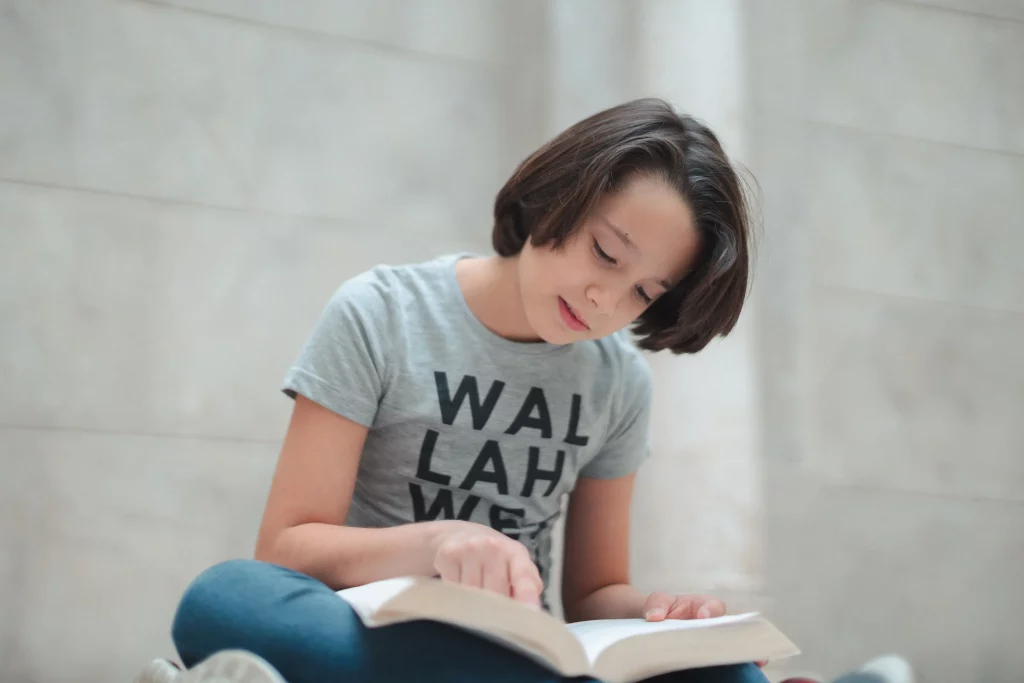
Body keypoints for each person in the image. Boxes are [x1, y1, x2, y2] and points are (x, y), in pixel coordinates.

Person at [136, 98, 767, 683]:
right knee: (226, 597)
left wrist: (666, 614)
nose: (607, 300)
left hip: (517, 651)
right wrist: (435, 544)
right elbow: (287, 546)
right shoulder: (382, 313)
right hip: (372, 633)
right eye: (605, 252)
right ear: (555, 198)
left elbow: (595, 595)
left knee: (734, 672)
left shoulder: (618, 379)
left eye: (643, 292)